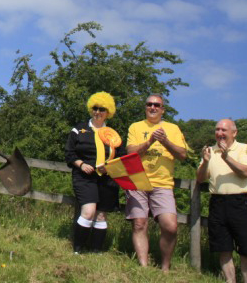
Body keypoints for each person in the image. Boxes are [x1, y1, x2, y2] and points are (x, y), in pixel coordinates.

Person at [125, 94, 187, 272]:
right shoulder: (136, 127)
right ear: (145, 107)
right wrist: (150, 141)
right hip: (137, 180)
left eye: (157, 105)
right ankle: (144, 267)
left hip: (163, 183)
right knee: (139, 223)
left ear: (162, 110)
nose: (152, 107)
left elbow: (182, 155)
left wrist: (165, 141)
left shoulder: (173, 128)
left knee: (170, 226)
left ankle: (165, 268)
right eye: (149, 104)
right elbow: (130, 152)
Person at [196, 119, 247, 283]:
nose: (220, 133)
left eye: (224, 130)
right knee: (223, 248)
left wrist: (226, 157)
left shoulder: (245, 148)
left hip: (240, 203)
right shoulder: (210, 151)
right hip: (217, 203)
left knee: (246, 249)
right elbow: (200, 178)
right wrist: (205, 162)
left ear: (234, 133)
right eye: (217, 129)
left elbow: (245, 172)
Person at [65, 91, 125, 254]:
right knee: (88, 211)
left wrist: (109, 167)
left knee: (101, 215)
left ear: (108, 112)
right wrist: (81, 164)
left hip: (107, 179)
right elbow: (69, 153)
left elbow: (121, 157)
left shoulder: (113, 135)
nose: (98, 112)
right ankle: (78, 249)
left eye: (102, 109)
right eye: (95, 108)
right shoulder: (78, 129)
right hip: (84, 177)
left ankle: (96, 251)